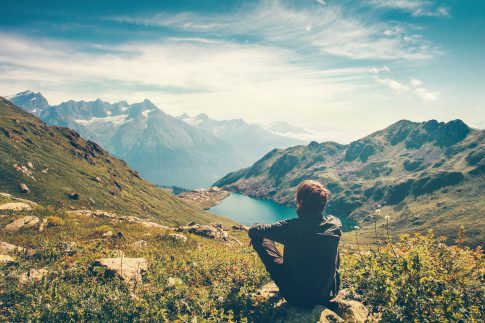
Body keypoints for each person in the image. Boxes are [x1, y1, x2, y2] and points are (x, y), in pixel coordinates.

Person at [248, 180, 341, 307]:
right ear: (323, 204)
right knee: (330, 242)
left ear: (301, 203)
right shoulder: (335, 224)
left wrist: (255, 234)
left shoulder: (291, 227)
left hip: (296, 297)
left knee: (259, 237)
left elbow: (254, 230)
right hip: (328, 294)